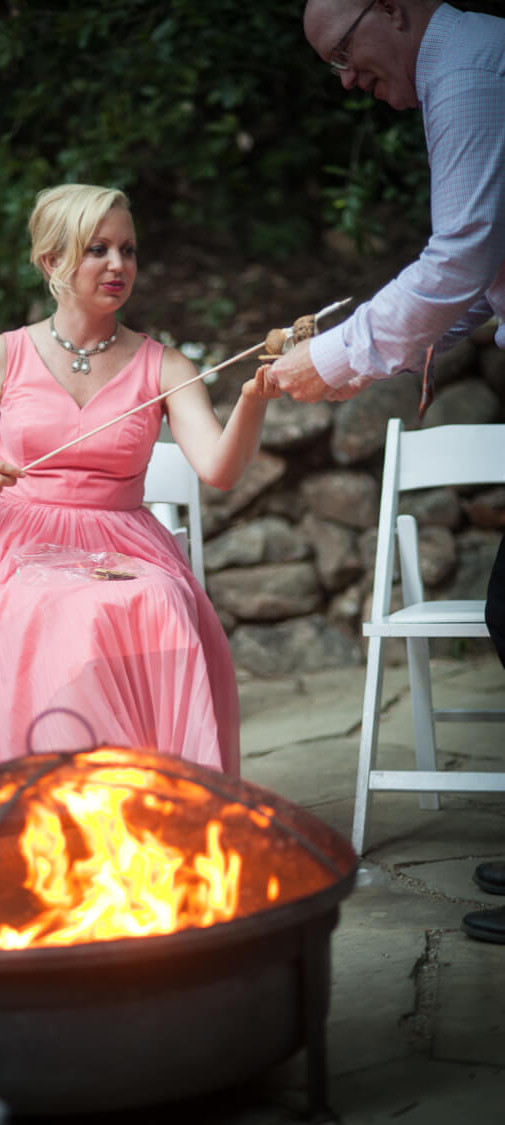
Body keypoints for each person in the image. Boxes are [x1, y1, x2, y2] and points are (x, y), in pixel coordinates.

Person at [266, 0, 505, 941]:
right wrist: (351, 353)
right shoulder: (468, 63)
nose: (347, 81)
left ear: (393, 9)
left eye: (343, 54)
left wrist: (335, 361)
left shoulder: (467, 70)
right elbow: (478, 282)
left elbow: (459, 254)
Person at [0, 183, 279, 782]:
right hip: (16, 552)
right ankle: (63, 804)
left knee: (162, 598)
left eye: (129, 250)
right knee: (67, 609)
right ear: (51, 261)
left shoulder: (165, 365)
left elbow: (219, 470)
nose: (119, 265)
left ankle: (153, 802)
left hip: (125, 544)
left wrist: (251, 399)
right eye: (98, 249)